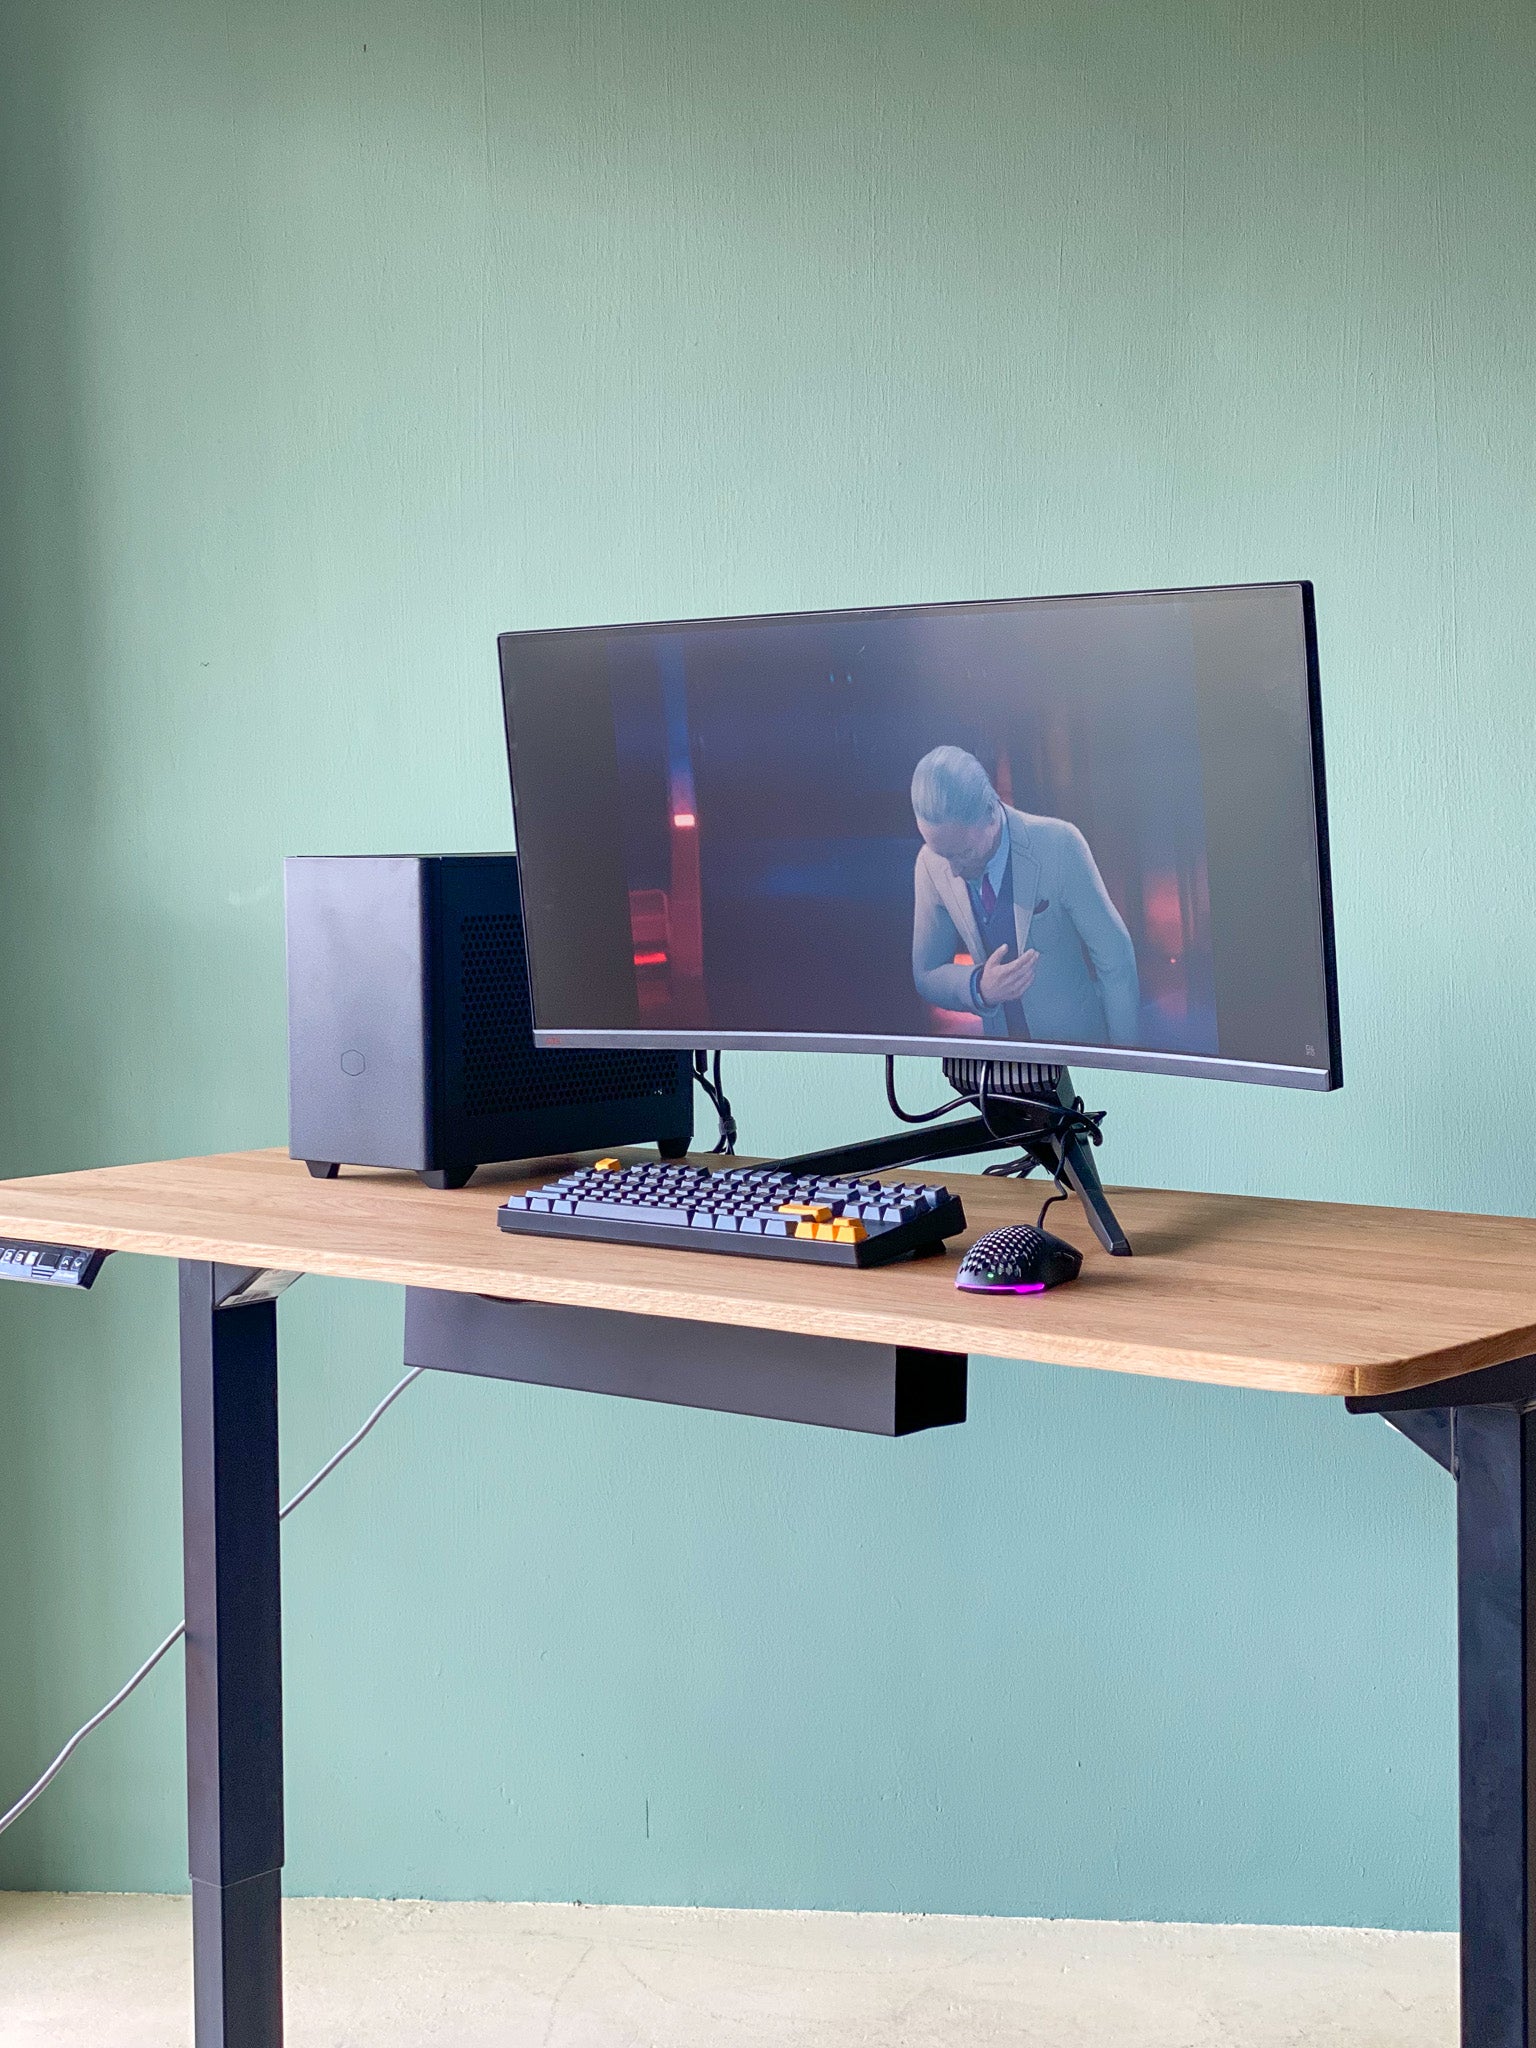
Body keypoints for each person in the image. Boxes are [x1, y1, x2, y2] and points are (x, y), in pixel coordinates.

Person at [910, 745, 1140, 1046]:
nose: (951, 871)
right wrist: (979, 987)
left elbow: (1116, 961)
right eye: (942, 854)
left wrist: (1126, 1065)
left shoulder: (1060, 845)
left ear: (991, 815)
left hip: (1078, 1052)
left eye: (964, 853)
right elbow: (926, 973)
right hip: (1004, 1063)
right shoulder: (930, 864)